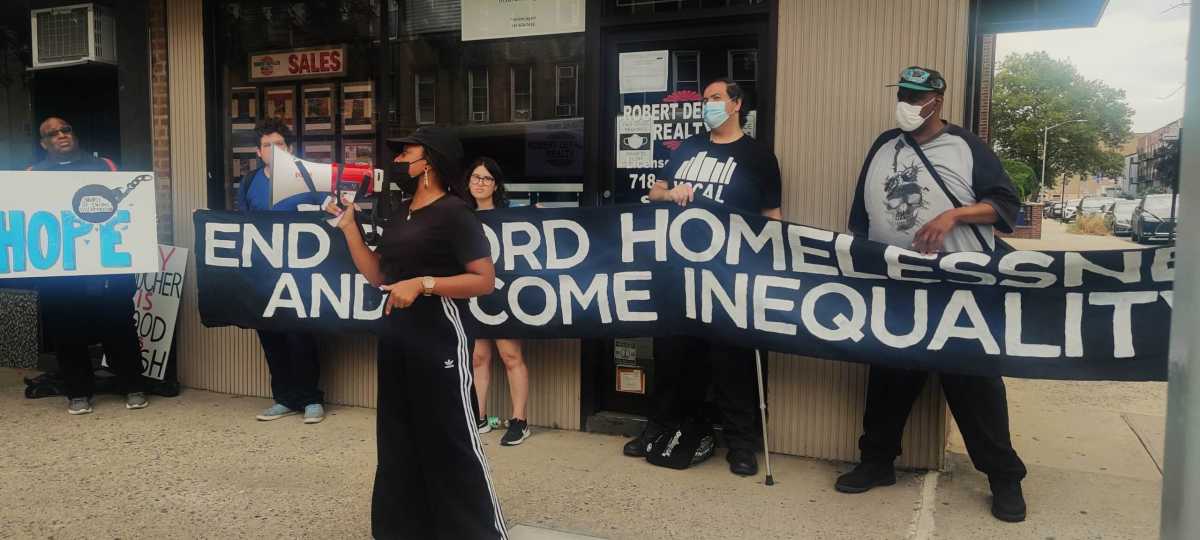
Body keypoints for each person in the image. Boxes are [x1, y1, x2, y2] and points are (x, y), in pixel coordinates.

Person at [839, 66, 1028, 522]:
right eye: (902, 92)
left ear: (936, 101)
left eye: (916, 95)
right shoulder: (884, 146)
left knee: (974, 384)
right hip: (899, 285)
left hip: (958, 287)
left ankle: (1004, 479)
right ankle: (877, 462)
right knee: (888, 377)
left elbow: (1006, 206)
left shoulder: (965, 146)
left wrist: (955, 216)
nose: (906, 101)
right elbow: (860, 220)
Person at [326, 127, 507, 539]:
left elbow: (484, 280)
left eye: (407, 152)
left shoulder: (455, 213)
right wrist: (349, 227)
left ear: (430, 161)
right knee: (398, 438)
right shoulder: (399, 211)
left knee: (451, 438)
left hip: (440, 339)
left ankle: (478, 531)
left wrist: (424, 283)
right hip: (396, 339)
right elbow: (379, 275)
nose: (399, 160)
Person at [630, 77, 782, 477]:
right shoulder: (689, 148)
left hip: (729, 277)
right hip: (680, 273)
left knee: (731, 361)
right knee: (673, 356)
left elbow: (772, 220)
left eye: (715, 99)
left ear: (736, 104)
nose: (708, 105)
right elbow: (653, 193)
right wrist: (670, 193)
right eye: (704, 100)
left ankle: (741, 444)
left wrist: (764, 268)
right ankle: (661, 428)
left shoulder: (758, 157)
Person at [26, 117, 147, 414]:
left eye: (66, 129)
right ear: (44, 144)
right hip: (60, 272)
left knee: (119, 326)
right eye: (52, 134)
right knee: (66, 332)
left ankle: (132, 385)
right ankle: (78, 392)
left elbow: (130, 205)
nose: (61, 135)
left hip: (106, 267)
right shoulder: (30, 176)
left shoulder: (105, 167)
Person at [234, 118, 326, 424]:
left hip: (301, 275)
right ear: (258, 152)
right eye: (266, 145)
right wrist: (205, 219)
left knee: (301, 336)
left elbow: (330, 214)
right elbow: (239, 225)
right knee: (271, 336)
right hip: (263, 274)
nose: (273, 150)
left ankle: (311, 399)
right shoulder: (249, 183)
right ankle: (284, 398)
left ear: (289, 149)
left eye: (279, 145)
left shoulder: (308, 179)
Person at [466, 157, 531, 447]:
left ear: (496, 184)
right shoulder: (462, 215)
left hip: (506, 294)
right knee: (478, 358)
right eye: (476, 177)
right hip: (474, 294)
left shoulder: (511, 214)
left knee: (510, 356)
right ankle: (479, 416)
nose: (480, 183)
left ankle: (519, 420)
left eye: (486, 178)